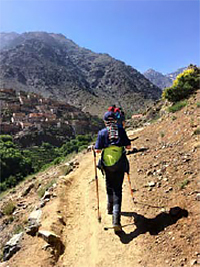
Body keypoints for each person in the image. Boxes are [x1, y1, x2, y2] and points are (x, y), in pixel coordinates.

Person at [95, 111, 131, 232]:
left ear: (105, 122)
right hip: (119, 164)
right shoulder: (121, 131)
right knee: (117, 190)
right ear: (115, 121)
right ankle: (116, 220)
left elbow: (98, 150)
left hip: (107, 165)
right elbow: (128, 147)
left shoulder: (102, 133)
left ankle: (109, 208)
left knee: (109, 184)